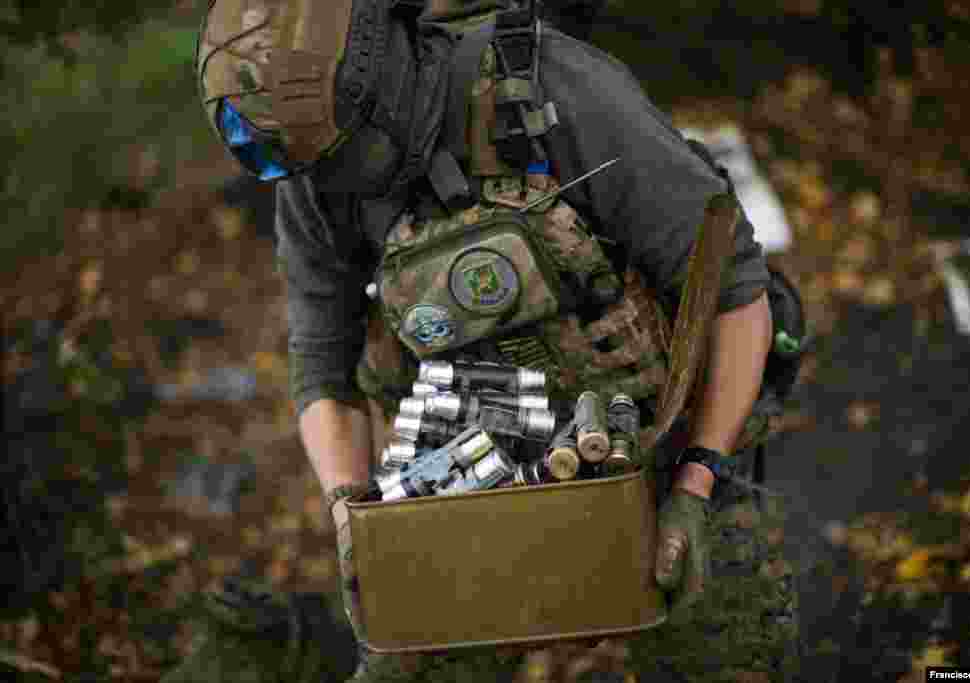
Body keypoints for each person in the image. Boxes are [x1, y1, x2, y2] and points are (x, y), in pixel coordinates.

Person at [179, 0, 802, 681]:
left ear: (383, 90)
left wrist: (697, 481)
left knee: (723, 652)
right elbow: (322, 364)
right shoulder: (317, 168)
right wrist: (351, 514)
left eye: (342, 158)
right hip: (469, 469)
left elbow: (737, 290)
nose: (327, 183)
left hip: (669, 433)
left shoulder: (555, 92)